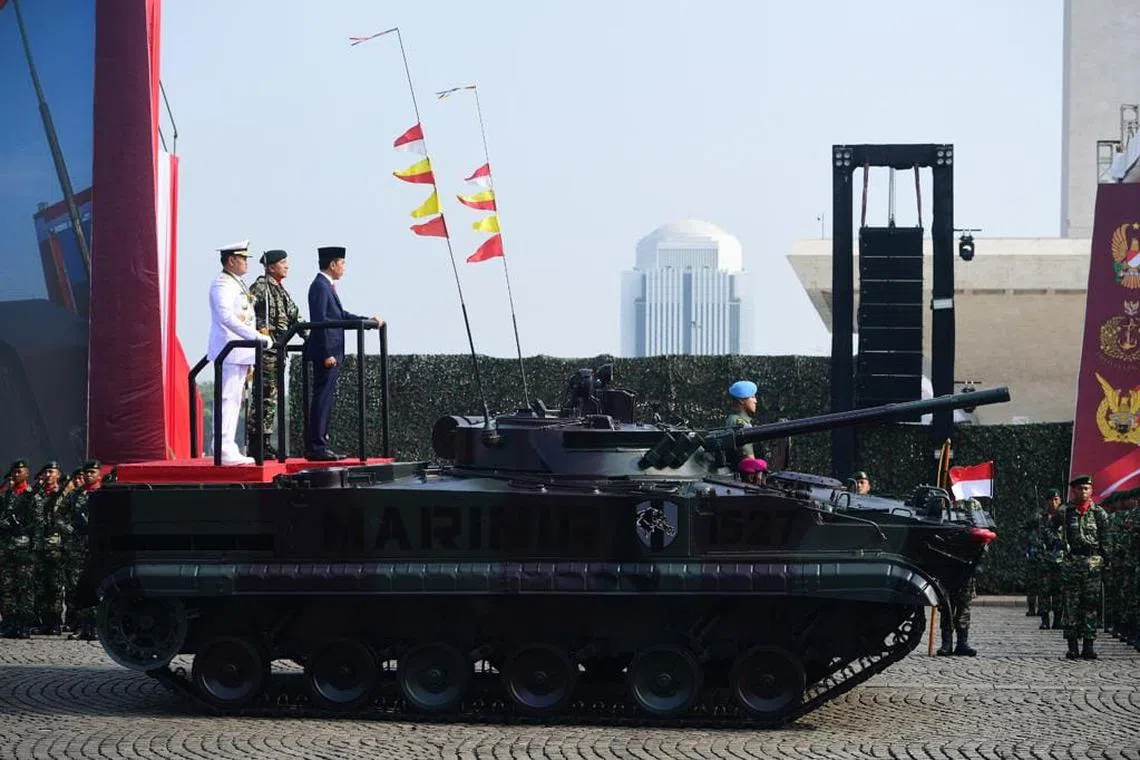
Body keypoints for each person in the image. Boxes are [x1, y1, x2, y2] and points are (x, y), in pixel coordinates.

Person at [305, 245, 381, 461]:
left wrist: (367, 321)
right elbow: (320, 321)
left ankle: (322, 442)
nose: (344, 267)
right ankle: (317, 446)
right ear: (332, 264)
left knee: (327, 398)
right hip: (328, 353)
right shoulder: (320, 286)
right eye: (342, 263)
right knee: (322, 398)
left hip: (334, 351)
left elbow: (340, 316)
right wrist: (326, 353)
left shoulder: (327, 286)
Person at [207, 240, 272, 465]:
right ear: (232, 260)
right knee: (227, 399)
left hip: (240, 351)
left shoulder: (237, 283)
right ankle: (222, 447)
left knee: (234, 401)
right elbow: (226, 317)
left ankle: (227, 445)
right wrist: (255, 336)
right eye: (243, 258)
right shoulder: (222, 284)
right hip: (229, 350)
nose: (246, 262)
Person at [246, 248, 307, 459]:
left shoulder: (281, 291)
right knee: (264, 396)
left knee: (271, 398)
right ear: (271, 267)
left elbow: (295, 316)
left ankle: (265, 442)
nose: (286, 266)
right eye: (282, 263)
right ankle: (256, 444)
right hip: (266, 351)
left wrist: (310, 337)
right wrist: (259, 330)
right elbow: (245, 312)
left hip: (279, 351)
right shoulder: (261, 287)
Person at [1051, 474, 1109, 660]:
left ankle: (1089, 646)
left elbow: (1106, 539)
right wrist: (1058, 547)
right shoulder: (1064, 512)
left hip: (1092, 565)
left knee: (1090, 606)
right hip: (1071, 564)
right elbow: (1049, 530)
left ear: (1091, 491)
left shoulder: (1099, 513)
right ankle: (1072, 646)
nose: (1083, 492)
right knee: (1071, 605)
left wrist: (1105, 560)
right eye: (1080, 489)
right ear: (1074, 491)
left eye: (1086, 488)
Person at [724, 380, 760, 466]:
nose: (755, 401)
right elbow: (749, 461)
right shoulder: (739, 423)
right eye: (752, 397)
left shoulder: (733, 419)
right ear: (741, 400)